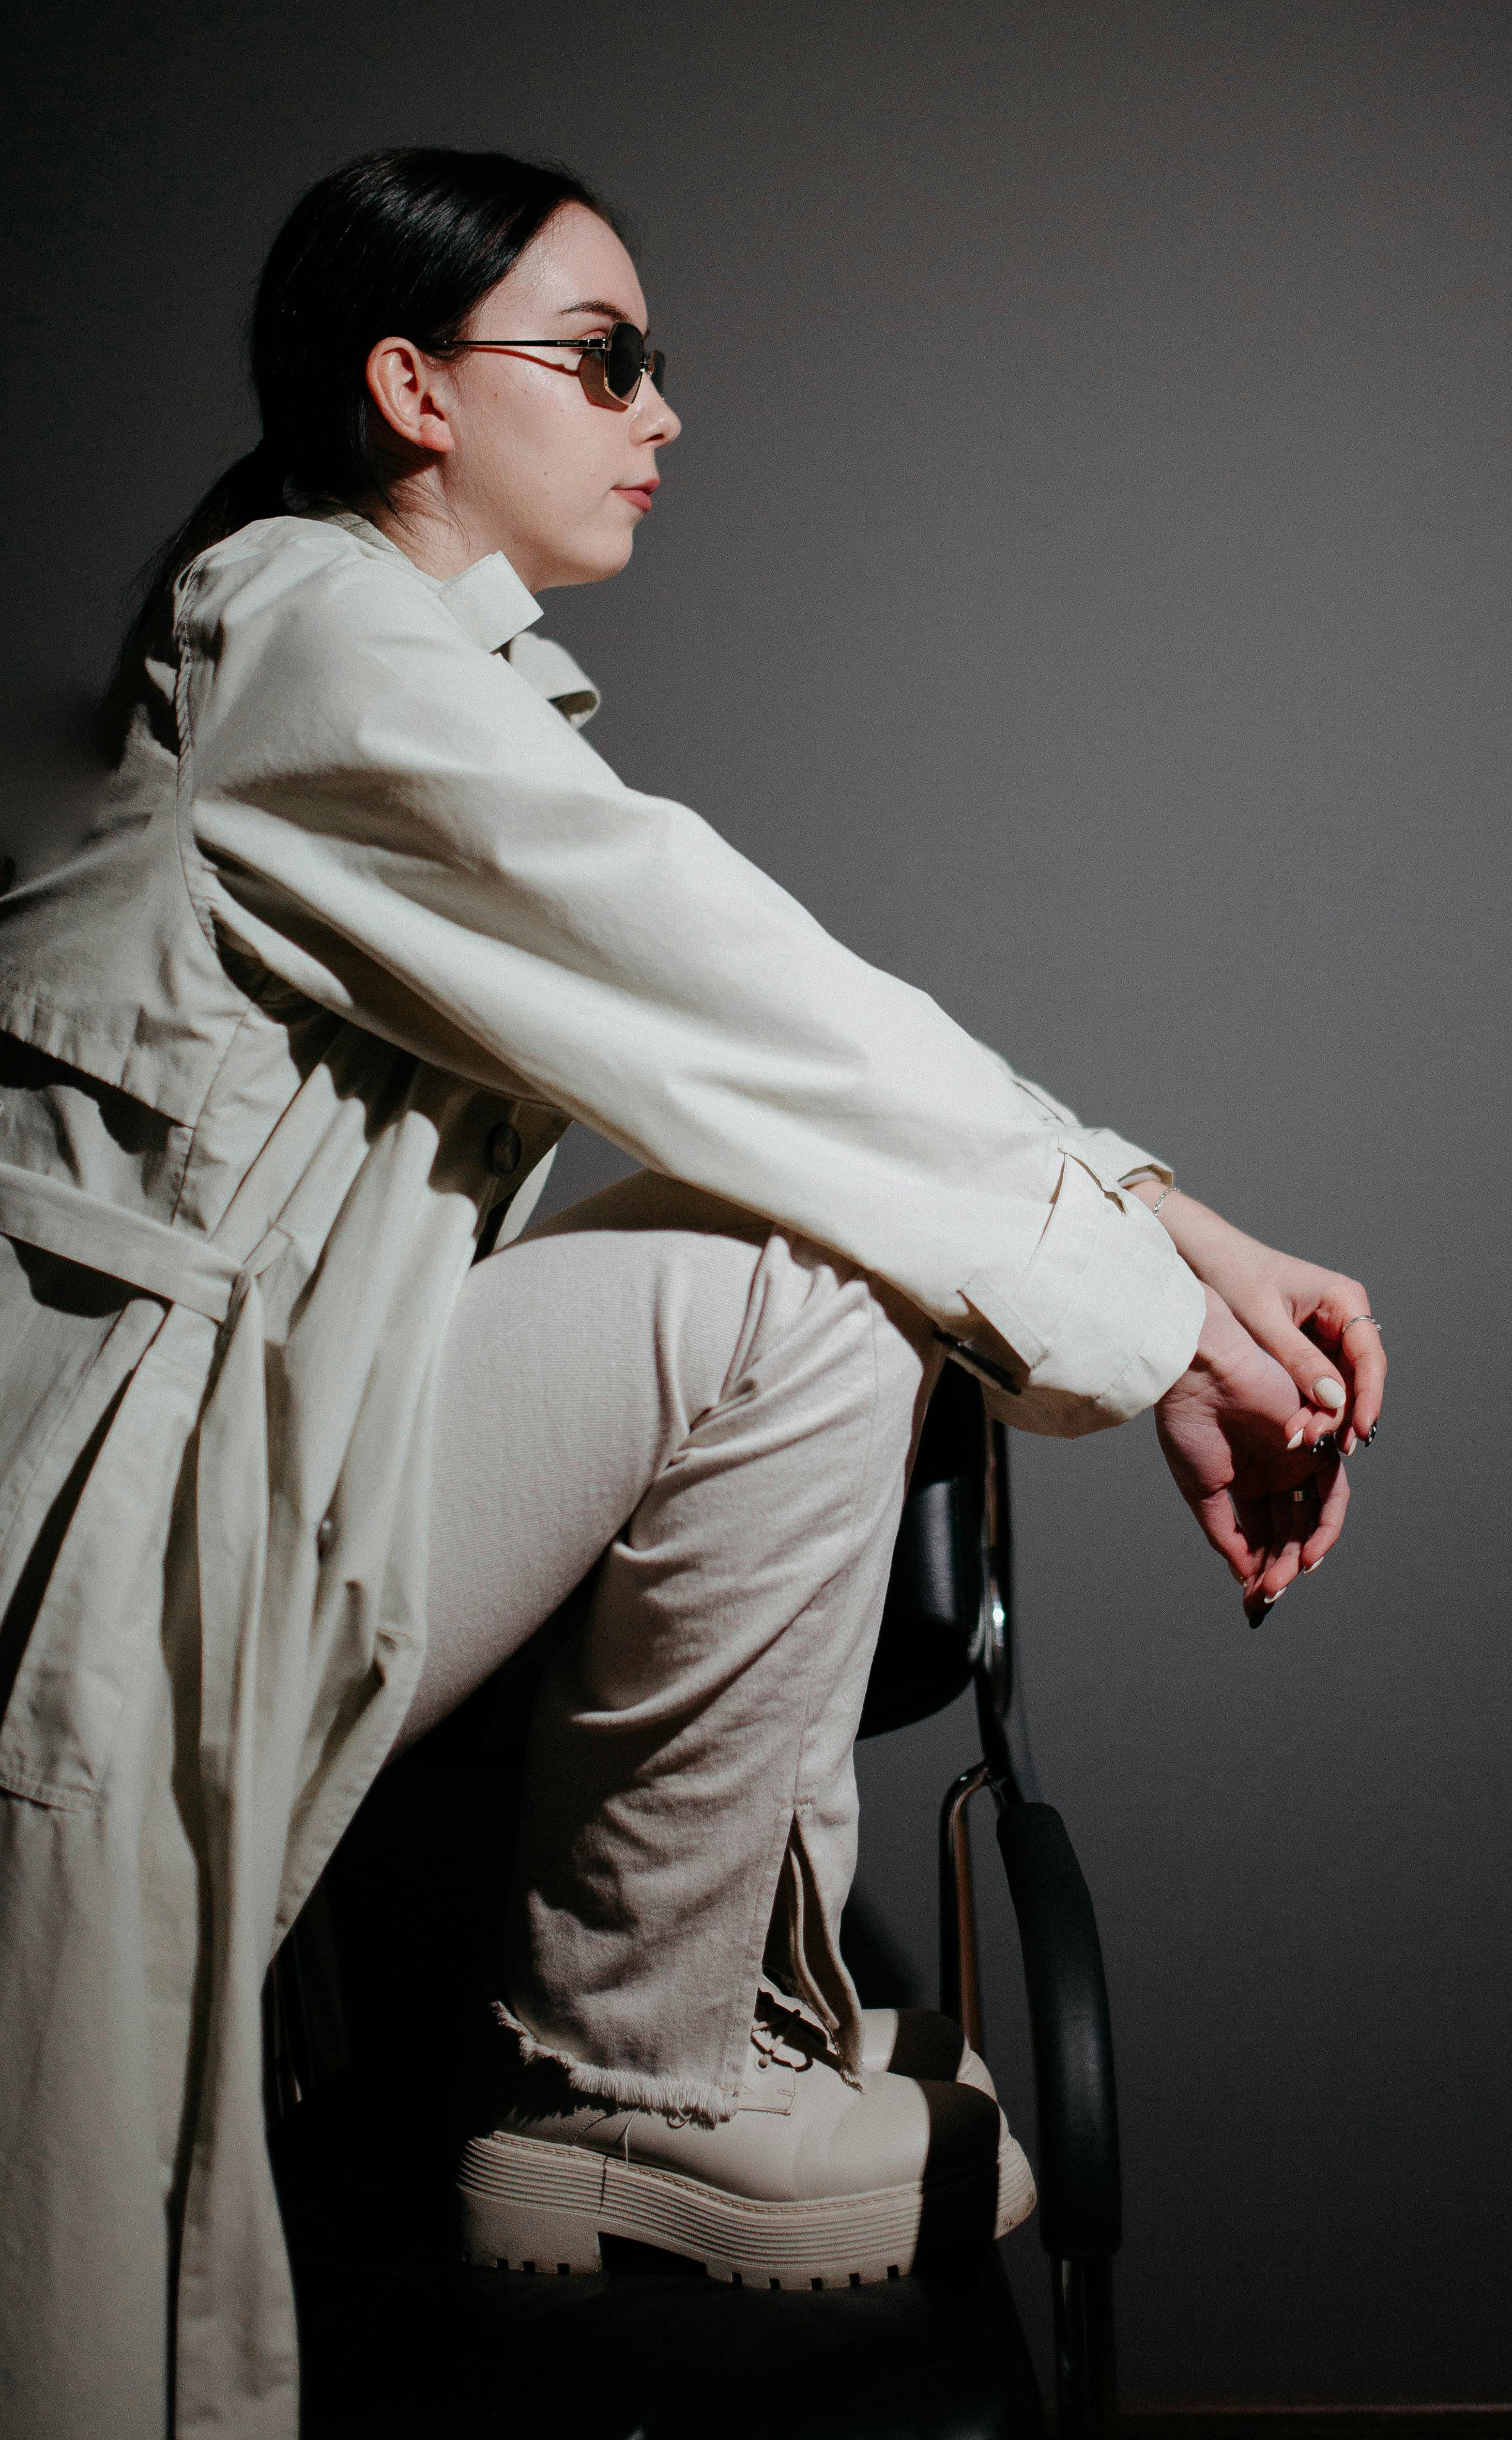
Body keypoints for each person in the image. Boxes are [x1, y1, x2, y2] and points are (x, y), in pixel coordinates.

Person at [0, 148, 1385, 2440]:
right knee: (800, 1270)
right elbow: (741, 991)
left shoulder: (415, 679)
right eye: (604, 357)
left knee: (804, 1239)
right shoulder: (300, 625)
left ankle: (640, 2056)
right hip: (132, 1518)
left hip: (275, 1464)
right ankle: (626, 2076)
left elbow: (751, 1014)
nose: (661, 413)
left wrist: (1180, 1240)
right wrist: (1175, 1309)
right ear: (409, 387)